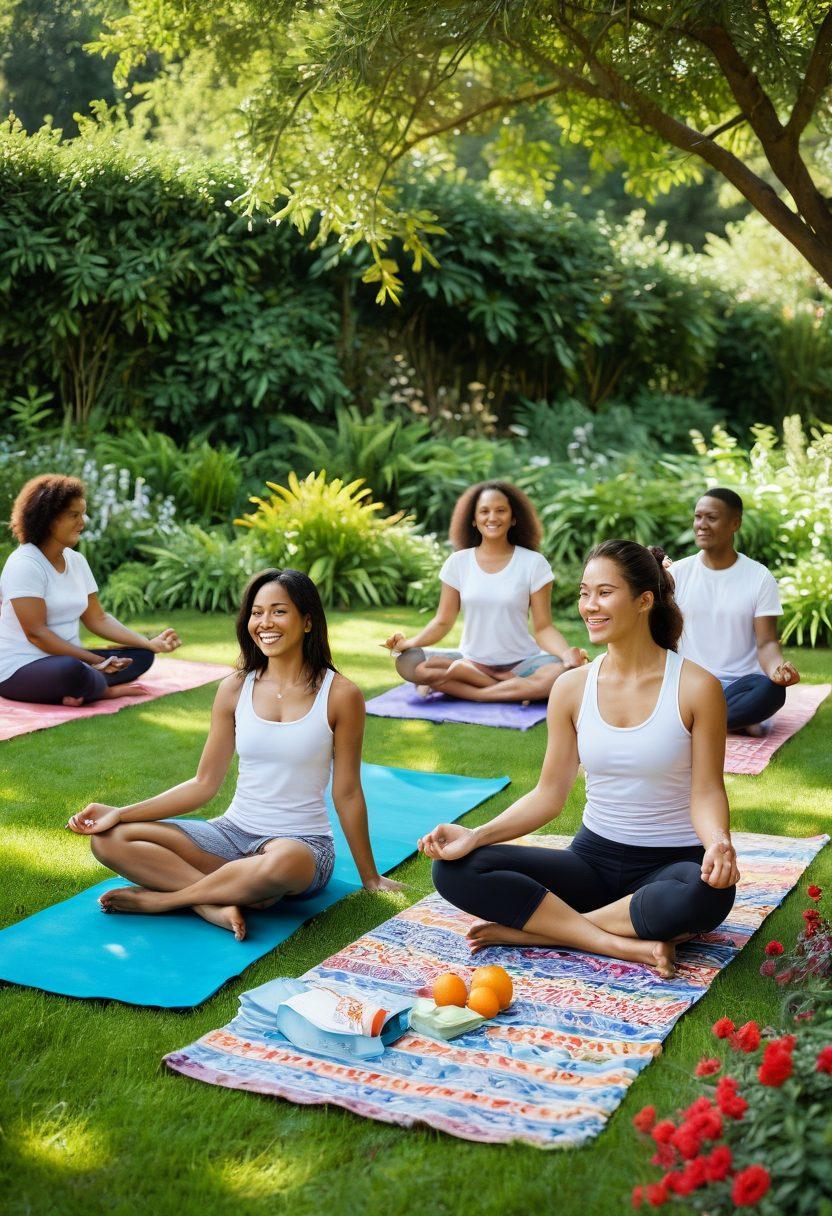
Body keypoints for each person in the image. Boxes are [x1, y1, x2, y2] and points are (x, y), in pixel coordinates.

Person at [418, 540, 738, 980]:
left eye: (604, 593)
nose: (590, 606)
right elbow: (549, 795)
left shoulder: (697, 687)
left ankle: (539, 932)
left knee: (708, 893)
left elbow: (706, 791)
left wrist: (718, 842)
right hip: (591, 862)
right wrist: (476, 835)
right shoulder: (571, 687)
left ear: (645, 600)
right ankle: (613, 940)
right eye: (585, 592)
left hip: (670, 866)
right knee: (455, 869)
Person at [67, 568, 402, 940]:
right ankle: (214, 902)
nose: (264, 623)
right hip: (229, 835)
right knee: (109, 839)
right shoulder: (234, 688)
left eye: (279, 611)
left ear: (307, 621)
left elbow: (348, 793)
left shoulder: (340, 694)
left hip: (300, 847)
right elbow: (204, 784)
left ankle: (166, 900)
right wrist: (119, 813)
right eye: (257, 613)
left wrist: (370, 877)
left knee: (280, 864)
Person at [383, 481, 586, 703]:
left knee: (560, 672)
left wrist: (566, 654)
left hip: (522, 664)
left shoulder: (534, 563)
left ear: (514, 518)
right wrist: (410, 643)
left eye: (501, 511)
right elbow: (442, 621)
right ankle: (513, 690)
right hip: (471, 660)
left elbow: (544, 627)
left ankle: (474, 690)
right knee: (410, 662)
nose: (492, 517)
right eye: (484, 511)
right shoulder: (458, 563)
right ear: (473, 519)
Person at [0, 474, 180, 706]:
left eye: (82, 514)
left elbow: (98, 618)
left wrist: (148, 643)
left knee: (140, 656)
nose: (82, 522)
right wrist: (95, 660)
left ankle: (85, 687)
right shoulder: (25, 564)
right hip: (20, 668)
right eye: (73, 515)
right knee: (70, 669)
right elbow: (37, 633)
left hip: (73, 660)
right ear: (48, 519)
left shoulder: (76, 561)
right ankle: (103, 690)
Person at [669, 487, 799, 734]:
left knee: (771, 691)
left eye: (712, 518)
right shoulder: (677, 574)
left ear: (735, 524)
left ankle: (697, 721)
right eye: (698, 517)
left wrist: (777, 670)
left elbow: (767, 643)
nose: (701, 525)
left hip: (741, 685)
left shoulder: (759, 577)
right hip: (689, 683)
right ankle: (734, 721)